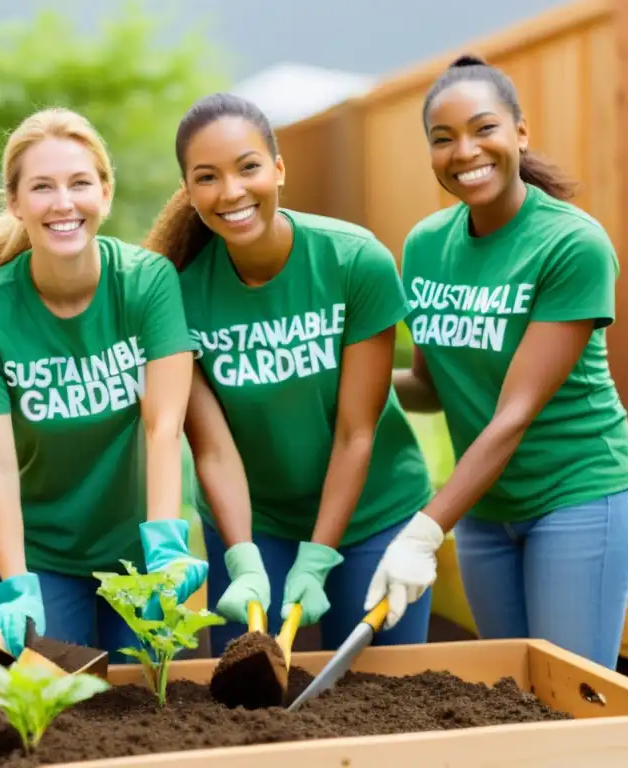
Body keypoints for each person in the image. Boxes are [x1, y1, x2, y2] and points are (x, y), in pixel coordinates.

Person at [365, 54, 628, 669]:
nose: (465, 151)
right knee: (511, 700)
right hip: (486, 512)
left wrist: (424, 528)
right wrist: (345, 381)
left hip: (577, 498)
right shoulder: (426, 245)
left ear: (520, 132)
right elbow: (432, 387)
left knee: (570, 702)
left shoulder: (571, 244)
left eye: (483, 129)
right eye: (443, 139)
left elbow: (513, 413)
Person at [142, 92, 434, 656]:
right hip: (256, 522)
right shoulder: (177, 293)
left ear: (277, 169)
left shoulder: (353, 262)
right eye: (207, 177)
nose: (231, 191)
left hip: (374, 512)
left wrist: (320, 554)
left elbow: (357, 431)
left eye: (248, 167)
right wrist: (242, 556)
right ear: (189, 190)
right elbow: (213, 448)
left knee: (388, 700)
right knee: (246, 699)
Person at [0, 107, 207, 662]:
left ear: (105, 194)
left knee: (157, 706)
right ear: (16, 203)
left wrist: (165, 544)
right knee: (57, 720)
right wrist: (15, 584)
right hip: (43, 559)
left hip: (140, 550)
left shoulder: (146, 283)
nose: (63, 203)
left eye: (79, 183)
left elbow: (164, 426)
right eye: (42, 187)